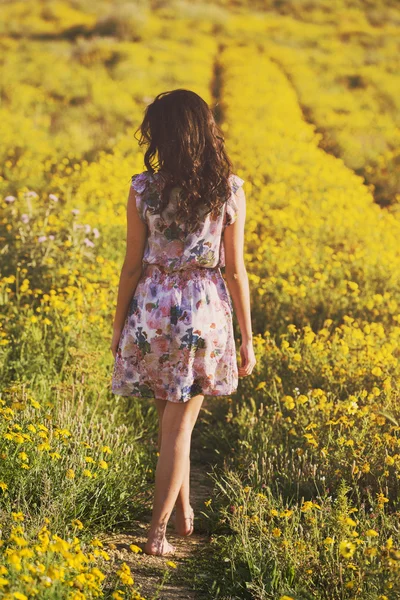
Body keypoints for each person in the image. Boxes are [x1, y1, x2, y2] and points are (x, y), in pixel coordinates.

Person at [110, 89, 256, 556]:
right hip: (202, 311)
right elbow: (235, 270)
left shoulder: (143, 188)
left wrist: (118, 326)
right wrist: (247, 337)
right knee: (180, 427)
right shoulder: (229, 189)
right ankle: (158, 534)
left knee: (172, 426)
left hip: (151, 310)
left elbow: (131, 265)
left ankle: (182, 513)